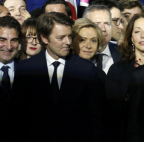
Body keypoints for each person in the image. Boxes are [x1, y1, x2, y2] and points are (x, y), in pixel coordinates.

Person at [14, 12, 103, 141]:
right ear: (44, 38)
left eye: (69, 36)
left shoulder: (87, 70)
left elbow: (96, 119)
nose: (68, 42)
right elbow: (18, 118)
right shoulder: (25, 69)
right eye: (61, 38)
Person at [105, 12, 144, 142]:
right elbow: (112, 114)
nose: (143, 35)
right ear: (131, 37)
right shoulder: (118, 70)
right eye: (137, 31)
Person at [83, 4, 121, 73]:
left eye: (107, 24)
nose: (103, 29)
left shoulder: (122, 54)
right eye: (97, 24)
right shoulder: (76, 55)